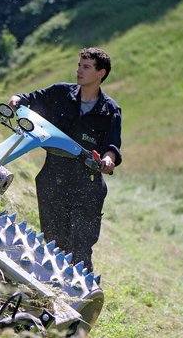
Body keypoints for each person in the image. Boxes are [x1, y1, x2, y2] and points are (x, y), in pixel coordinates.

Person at [8, 47, 122, 273]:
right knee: (54, 245)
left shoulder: (110, 110)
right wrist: (16, 99)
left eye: (86, 67)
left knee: (80, 250)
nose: (79, 70)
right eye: (79, 65)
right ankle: (52, 292)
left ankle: (82, 300)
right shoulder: (60, 92)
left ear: (101, 73)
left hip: (86, 185)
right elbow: (29, 99)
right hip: (53, 177)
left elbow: (112, 147)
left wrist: (108, 160)